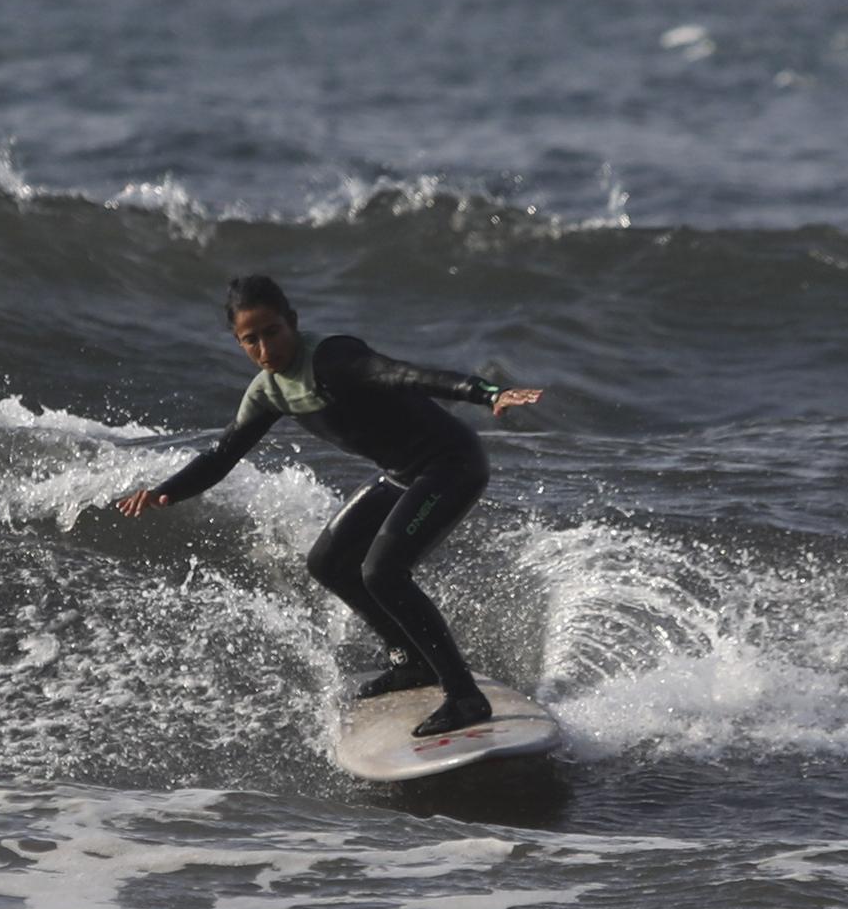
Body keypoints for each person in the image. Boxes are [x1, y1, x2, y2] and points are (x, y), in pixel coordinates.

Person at [114, 274, 544, 738]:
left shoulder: (335, 359)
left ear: (292, 323)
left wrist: (486, 393)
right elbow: (222, 456)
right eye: (249, 340)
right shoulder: (268, 392)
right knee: (328, 562)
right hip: (401, 476)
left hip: (450, 465)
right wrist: (166, 492)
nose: (264, 348)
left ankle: (464, 696)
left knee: (383, 572)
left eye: (272, 332)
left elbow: (408, 374)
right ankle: (410, 661)